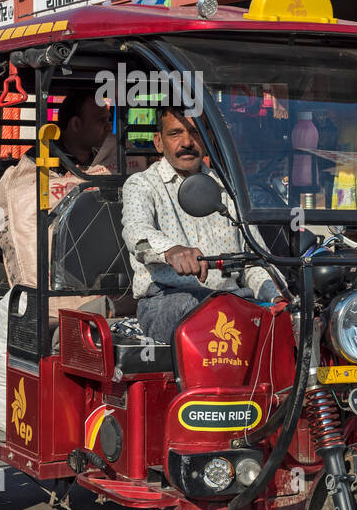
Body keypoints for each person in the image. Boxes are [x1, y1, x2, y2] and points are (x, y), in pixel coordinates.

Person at [0, 87, 114, 428]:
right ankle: (7, 420)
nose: (108, 129)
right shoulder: (26, 178)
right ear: (74, 124)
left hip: (106, 289)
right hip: (48, 292)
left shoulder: (104, 169)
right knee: (8, 312)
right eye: (101, 121)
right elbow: (6, 231)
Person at [121, 108, 283, 342]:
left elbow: (256, 259)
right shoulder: (141, 184)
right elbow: (136, 233)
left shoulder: (228, 189)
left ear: (207, 139)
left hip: (231, 300)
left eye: (195, 133)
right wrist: (171, 251)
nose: (186, 142)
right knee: (200, 312)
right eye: (175, 133)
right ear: (158, 142)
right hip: (168, 300)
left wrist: (278, 298)